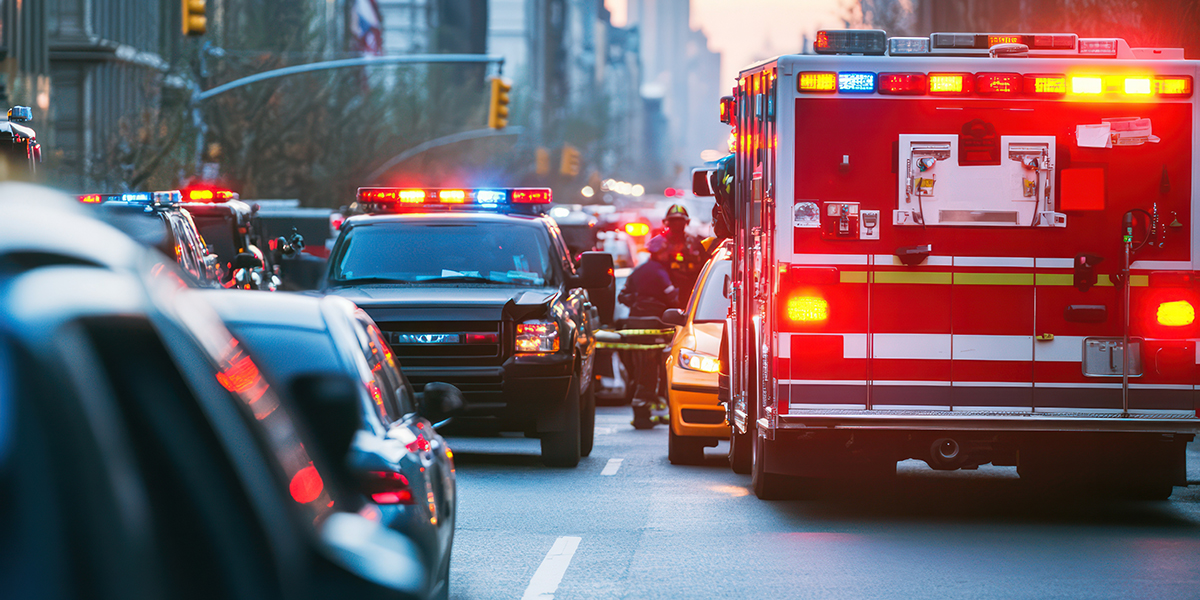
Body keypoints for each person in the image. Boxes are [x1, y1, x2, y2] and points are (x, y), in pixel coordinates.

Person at [618, 236, 677, 429]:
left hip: (634, 326)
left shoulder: (639, 270)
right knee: (651, 371)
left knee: (641, 370)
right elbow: (673, 299)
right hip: (654, 327)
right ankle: (645, 414)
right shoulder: (661, 272)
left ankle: (649, 411)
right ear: (661, 253)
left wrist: (638, 301)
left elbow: (622, 296)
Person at [660, 204, 708, 305]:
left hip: (691, 294)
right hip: (665, 296)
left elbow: (704, 269)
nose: (677, 224)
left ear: (687, 222)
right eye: (673, 221)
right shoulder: (660, 245)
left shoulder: (696, 243)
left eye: (680, 221)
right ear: (667, 223)